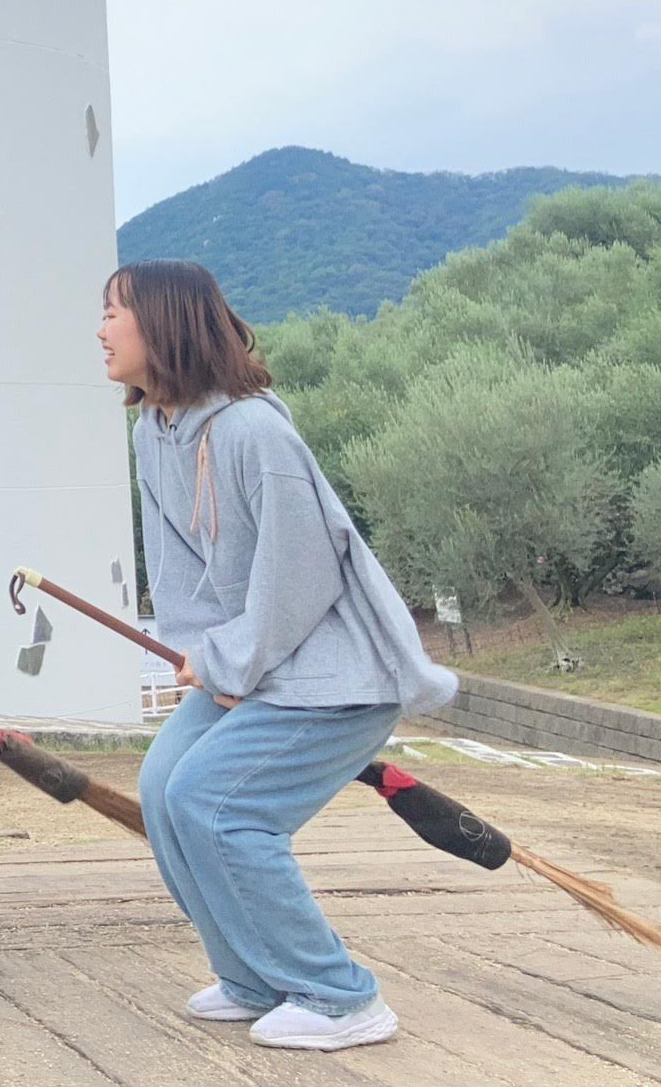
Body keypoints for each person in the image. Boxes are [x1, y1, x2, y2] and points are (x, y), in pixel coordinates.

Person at [101, 258, 457, 1052]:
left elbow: (302, 572)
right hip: (257, 668)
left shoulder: (255, 429)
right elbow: (183, 576)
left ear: (164, 324)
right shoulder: (154, 432)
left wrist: (230, 661)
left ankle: (341, 996)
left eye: (114, 311)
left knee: (218, 805)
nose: (100, 329)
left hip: (336, 677)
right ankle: (254, 978)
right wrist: (201, 656)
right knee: (164, 788)